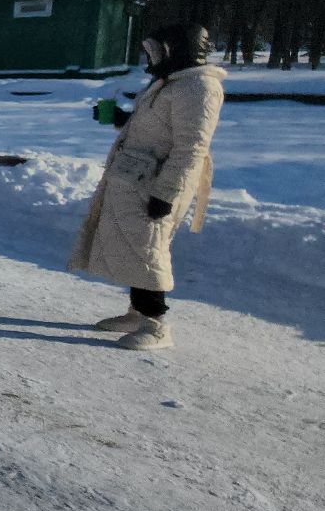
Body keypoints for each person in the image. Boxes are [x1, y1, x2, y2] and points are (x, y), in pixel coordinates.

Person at [68, 24, 224, 351]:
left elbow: (190, 148)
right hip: (136, 178)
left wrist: (166, 194)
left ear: (175, 49)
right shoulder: (170, 83)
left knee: (149, 249)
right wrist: (120, 119)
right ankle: (137, 313)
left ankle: (156, 325)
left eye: (155, 51)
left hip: (156, 184)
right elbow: (154, 127)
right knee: (135, 248)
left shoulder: (199, 88)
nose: (150, 58)